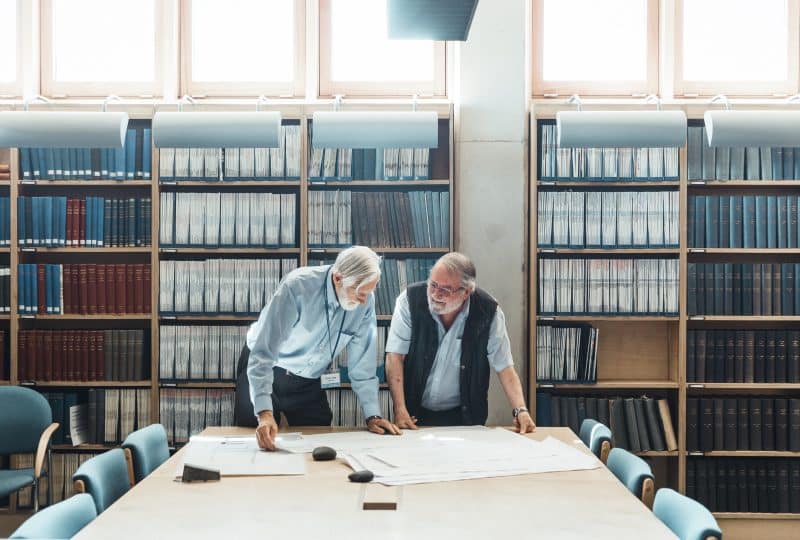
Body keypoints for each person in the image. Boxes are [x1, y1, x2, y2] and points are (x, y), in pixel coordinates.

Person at [237, 246, 400, 450]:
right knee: (256, 440)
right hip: (266, 366)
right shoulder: (298, 286)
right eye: (359, 292)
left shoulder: (364, 302)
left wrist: (373, 415)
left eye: (369, 292)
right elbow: (263, 353)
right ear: (338, 278)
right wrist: (264, 413)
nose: (363, 300)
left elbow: (363, 364)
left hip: (309, 378)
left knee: (321, 444)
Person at [385, 252, 535, 432]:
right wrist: (400, 409)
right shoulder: (409, 300)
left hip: (466, 415)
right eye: (432, 285)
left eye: (445, 290)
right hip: (413, 412)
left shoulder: (488, 312)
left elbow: (504, 367)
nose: (435, 294)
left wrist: (521, 410)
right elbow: (395, 356)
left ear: (466, 292)